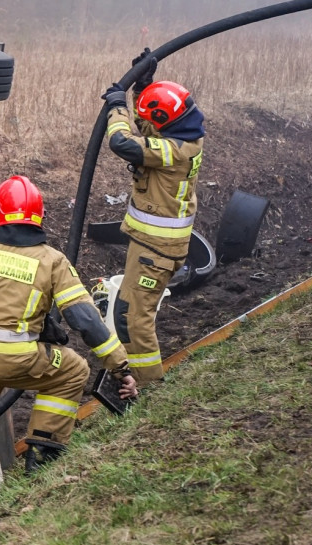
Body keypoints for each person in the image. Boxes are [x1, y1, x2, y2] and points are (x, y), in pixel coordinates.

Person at [0, 176, 138, 515]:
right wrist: (119, 366)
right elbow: (85, 321)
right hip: (16, 360)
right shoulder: (51, 261)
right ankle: (42, 453)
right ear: (39, 218)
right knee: (72, 370)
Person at [102, 58, 205, 384]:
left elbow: (122, 142)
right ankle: (139, 380)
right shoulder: (184, 133)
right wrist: (143, 87)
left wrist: (117, 109)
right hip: (153, 246)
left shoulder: (173, 150)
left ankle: (149, 390)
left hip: (156, 251)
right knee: (129, 312)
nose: (148, 122)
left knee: (132, 319)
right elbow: (152, 125)